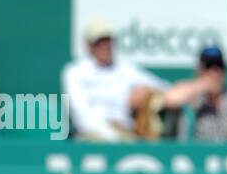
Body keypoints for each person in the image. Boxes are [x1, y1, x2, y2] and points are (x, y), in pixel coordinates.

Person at [62, 17, 213, 141]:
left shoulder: (125, 70)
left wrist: (194, 88)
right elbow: (82, 116)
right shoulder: (75, 73)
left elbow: (164, 88)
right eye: (99, 42)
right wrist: (112, 137)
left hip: (126, 135)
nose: (105, 46)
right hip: (91, 138)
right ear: (89, 45)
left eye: (108, 41)